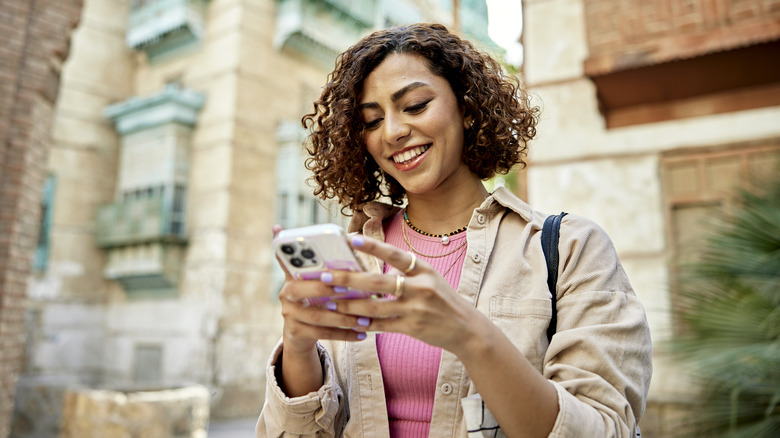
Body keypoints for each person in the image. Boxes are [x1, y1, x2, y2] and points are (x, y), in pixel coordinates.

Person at [257, 23, 652, 437]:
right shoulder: (354, 258)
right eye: (372, 121)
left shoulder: (569, 249)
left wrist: (470, 335)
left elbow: (607, 428)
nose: (392, 132)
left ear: (466, 107)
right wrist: (298, 349)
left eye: (414, 105)